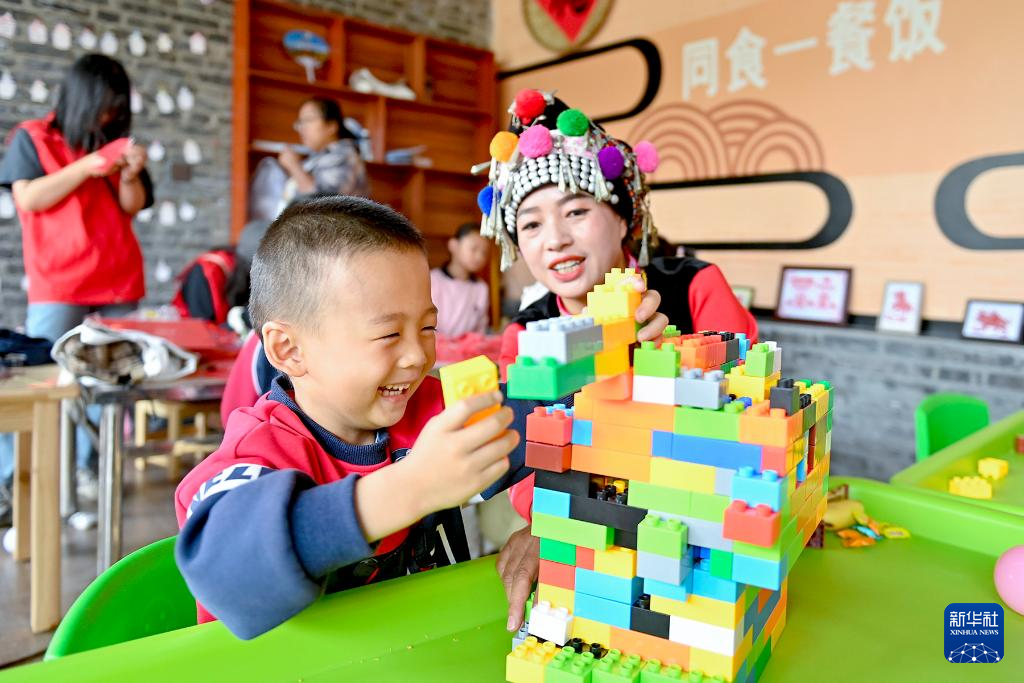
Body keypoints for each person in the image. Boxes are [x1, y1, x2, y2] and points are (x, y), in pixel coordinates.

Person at [175, 196, 530, 639]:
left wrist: (550, 529)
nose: (417, 356)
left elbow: (556, 422)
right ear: (289, 349)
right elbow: (224, 567)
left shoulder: (427, 409)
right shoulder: (257, 454)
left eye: (427, 328)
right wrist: (414, 486)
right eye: (389, 334)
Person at [474, 89, 759, 633]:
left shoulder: (696, 287)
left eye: (576, 211)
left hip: (706, 533)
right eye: (530, 224)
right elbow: (531, 460)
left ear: (624, 217)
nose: (555, 239)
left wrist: (661, 359)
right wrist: (555, 521)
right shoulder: (526, 333)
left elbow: (750, 422)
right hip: (597, 540)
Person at [0, 54, 153, 514]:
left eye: (117, 108)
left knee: (112, 383)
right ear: (83, 97)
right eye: (105, 105)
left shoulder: (116, 144)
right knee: (43, 382)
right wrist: (87, 166)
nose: (109, 115)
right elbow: (29, 198)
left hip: (118, 278)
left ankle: (91, 471)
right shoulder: (33, 137)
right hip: (59, 280)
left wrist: (128, 172)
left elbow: (132, 205)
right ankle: (25, 480)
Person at [277, 97, 369, 204]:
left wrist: (294, 166)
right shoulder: (320, 156)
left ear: (331, 126)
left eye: (308, 120)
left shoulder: (344, 155)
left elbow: (320, 203)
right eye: (300, 122)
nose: (302, 128)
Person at [430, 222, 491, 337]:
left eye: (484, 252)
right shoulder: (433, 280)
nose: (479, 257)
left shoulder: (481, 288)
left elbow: (481, 329)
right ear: (454, 245)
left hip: (469, 346)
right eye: (474, 249)